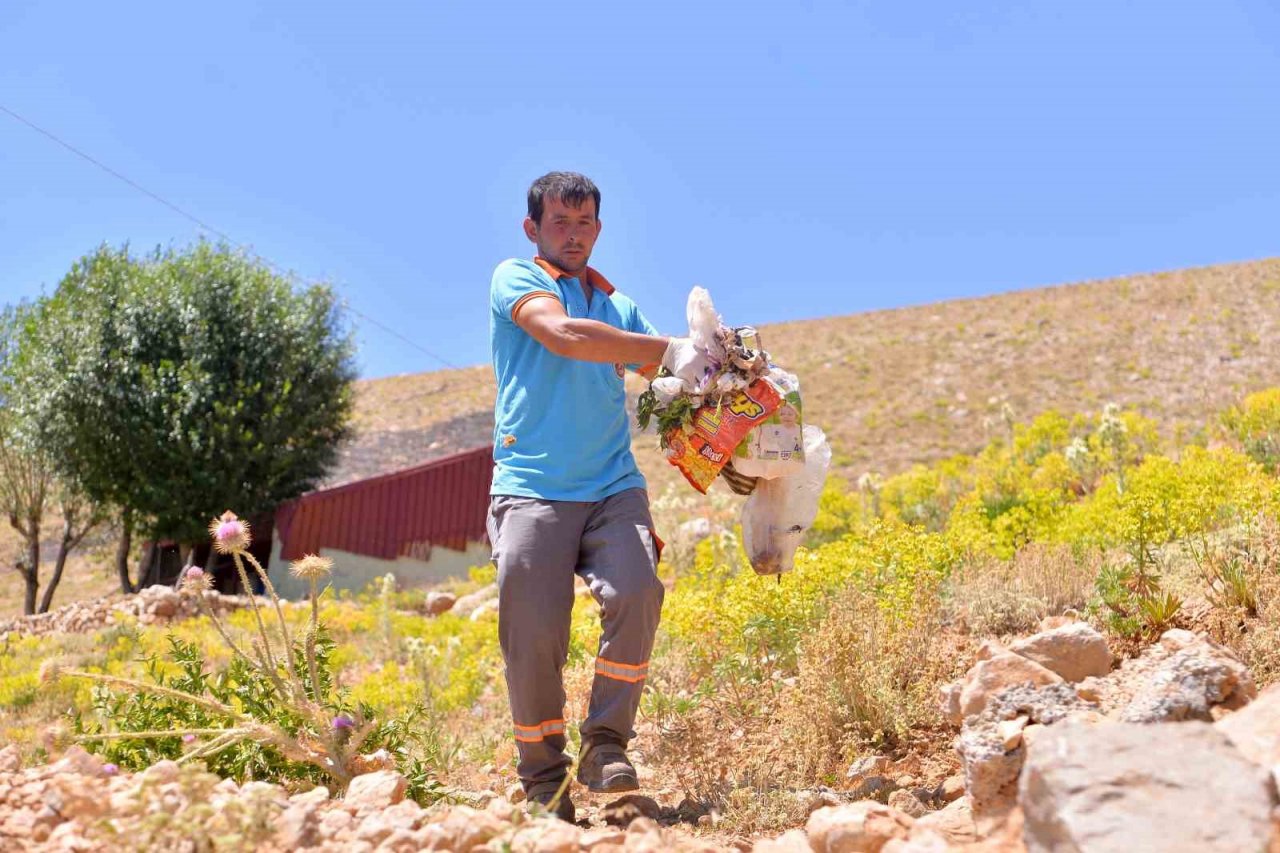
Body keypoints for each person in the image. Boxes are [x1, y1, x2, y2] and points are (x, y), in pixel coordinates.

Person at [487, 172, 709, 822]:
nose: (574, 234)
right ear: (533, 229)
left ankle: (606, 745)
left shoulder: (618, 307)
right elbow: (564, 335)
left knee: (639, 590)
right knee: (533, 634)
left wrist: (728, 375)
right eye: (560, 222)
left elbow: (671, 378)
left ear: (600, 229)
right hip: (531, 487)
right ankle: (544, 781)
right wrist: (672, 350)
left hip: (613, 484)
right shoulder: (518, 280)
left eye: (584, 223)